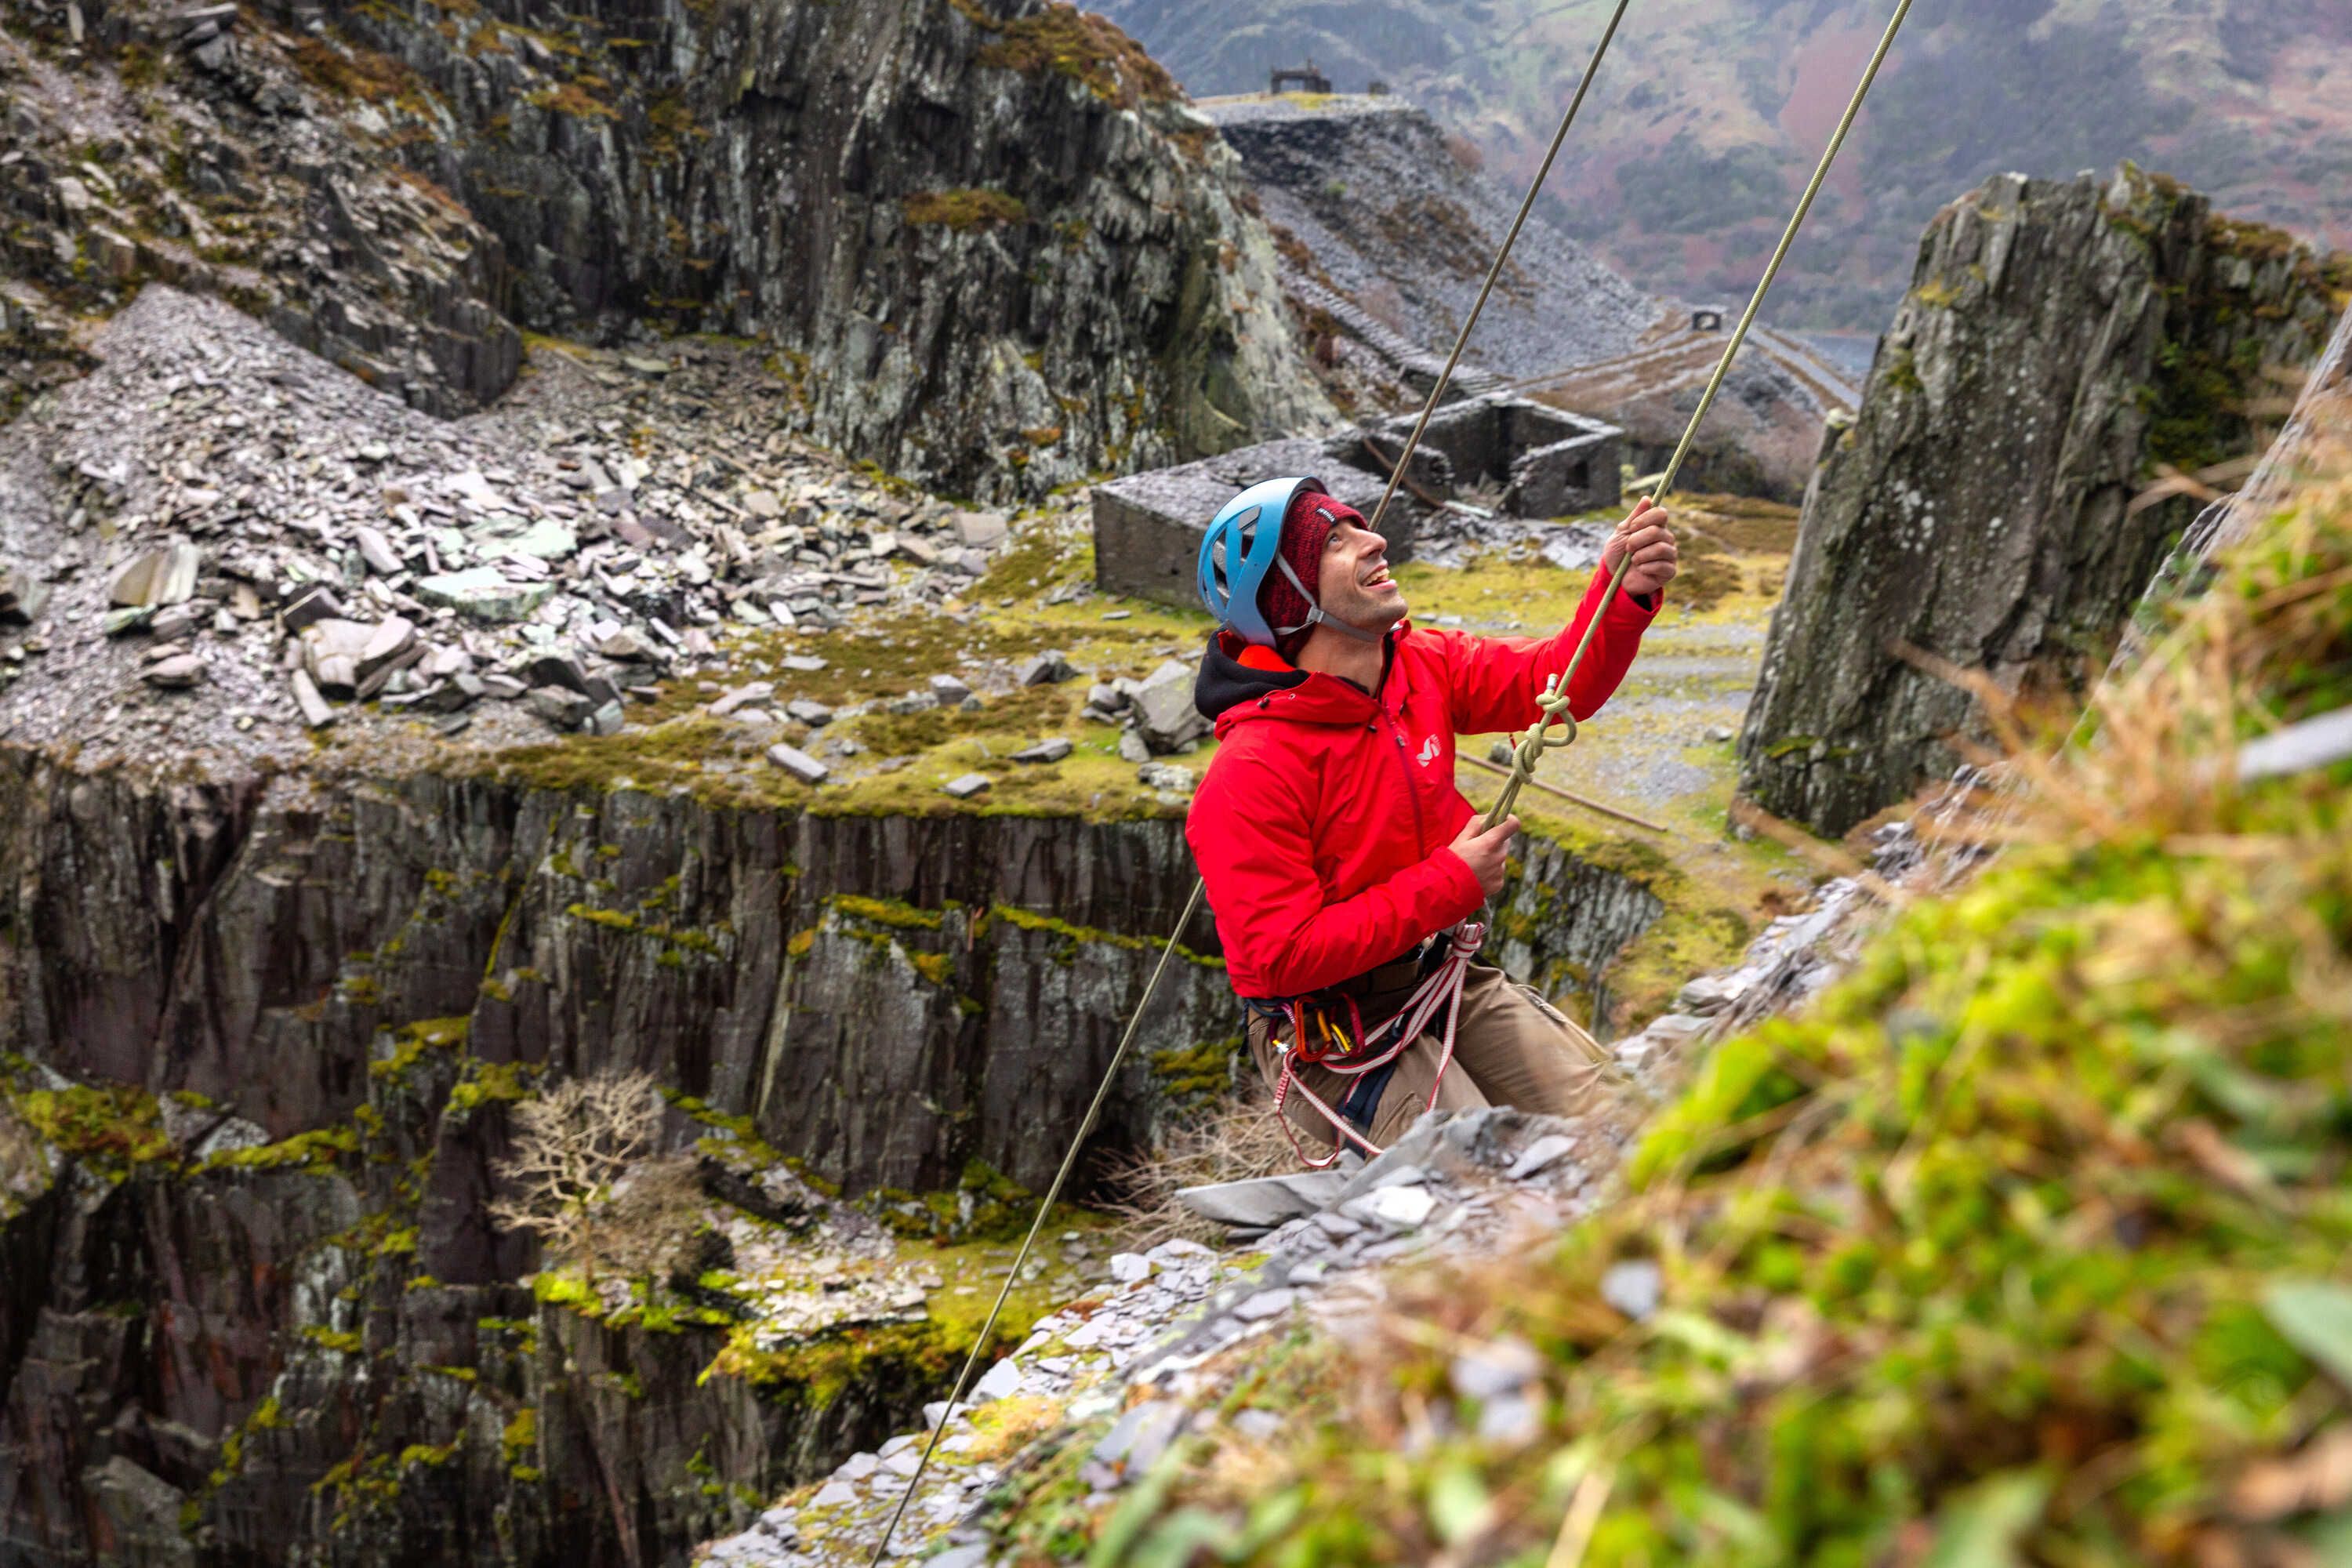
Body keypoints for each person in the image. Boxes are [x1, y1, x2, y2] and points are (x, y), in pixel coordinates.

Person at [1184, 477, 1676, 1160]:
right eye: (1335, 540)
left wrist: (1620, 593)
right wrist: (1450, 881)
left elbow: (1558, 681)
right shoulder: (1251, 774)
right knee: (1488, 1179)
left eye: (1358, 524)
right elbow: (1278, 960)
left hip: (1438, 978)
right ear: (1287, 597)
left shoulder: (1420, 667)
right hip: (1338, 1033)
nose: (1374, 539)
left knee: (1624, 1125)